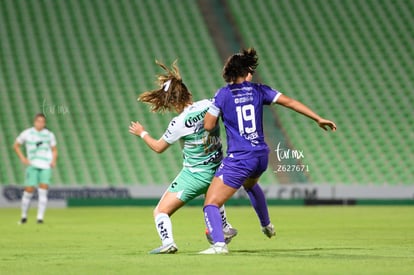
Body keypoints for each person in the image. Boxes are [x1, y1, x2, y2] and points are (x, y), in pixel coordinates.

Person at [200, 48, 337, 254]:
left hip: (240, 157)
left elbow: (209, 125)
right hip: (261, 156)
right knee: (251, 184)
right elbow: (289, 102)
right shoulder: (259, 90)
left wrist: (215, 111)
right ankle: (266, 225)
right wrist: (318, 118)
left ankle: (219, 245)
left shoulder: (222, 94)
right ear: (245, 71)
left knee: (211, 203)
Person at [128, 60, 237, 254]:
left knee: (160, 211)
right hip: (218, 170)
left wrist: (142, 133)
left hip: (194, 176)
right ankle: (224, 227)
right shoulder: (208, 104)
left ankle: (168, 242)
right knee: (211, 199)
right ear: (188, 93)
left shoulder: (178, 123)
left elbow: (158, 147)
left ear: (172, 102)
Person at [13, 113, 58, 224]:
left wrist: (53, 160)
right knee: (29, 191)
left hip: (45, 165)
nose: (40, 123)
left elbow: (54, 149)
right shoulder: (27, 133)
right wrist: (23, 158)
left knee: (43, 191)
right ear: (34, 122)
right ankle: (23, 216)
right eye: (38, 121)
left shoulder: (49, 134)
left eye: (42, 121)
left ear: (45, 123)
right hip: (32, 165)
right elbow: (16, 145)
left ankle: (40, 218)